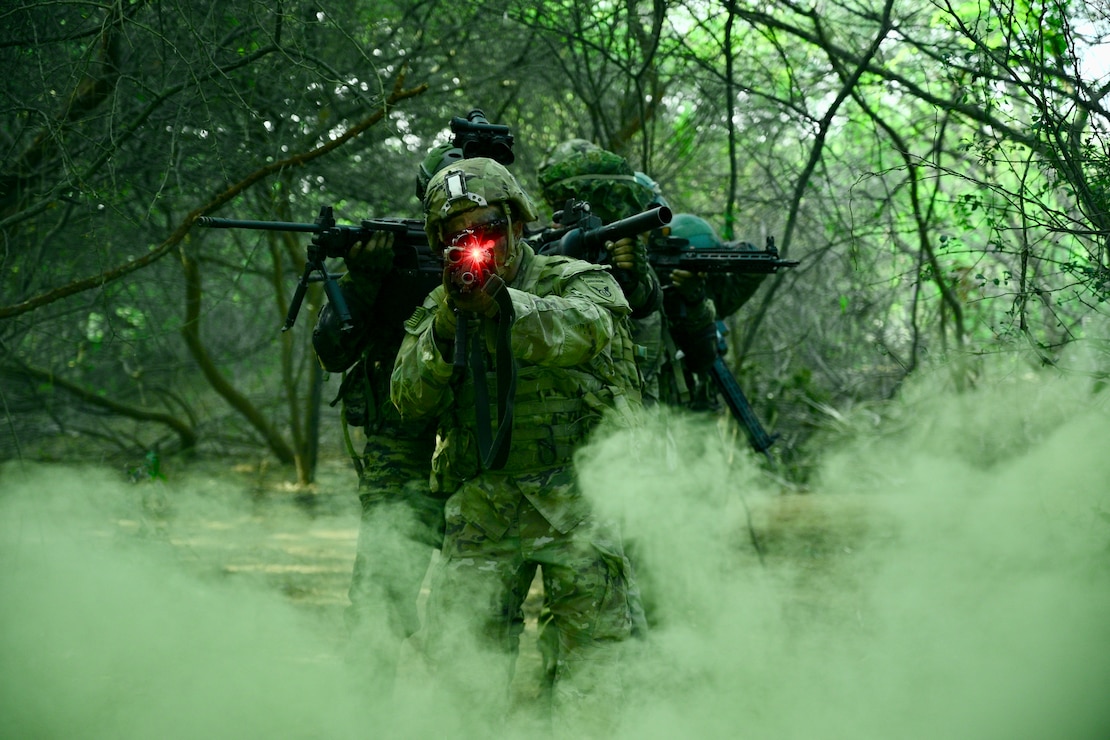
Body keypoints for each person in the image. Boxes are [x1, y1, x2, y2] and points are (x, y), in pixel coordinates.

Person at [390, 156, 639, 732]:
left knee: (597, 671)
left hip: (577, 502)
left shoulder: (577, 278)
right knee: (463, 673)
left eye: (489, 229)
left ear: (519, 223)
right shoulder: (438, 310)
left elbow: (584, 329)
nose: (479, 246)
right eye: (460, 237)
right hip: (483, 507)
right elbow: (407, 398)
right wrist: (450, 327)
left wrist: (503, 307)